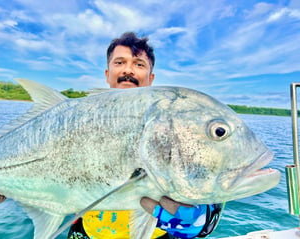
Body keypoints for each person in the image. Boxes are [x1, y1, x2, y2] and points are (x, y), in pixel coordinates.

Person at [67, 32, 223, 239]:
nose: (128, 70)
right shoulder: (78, 123)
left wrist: (203, 218)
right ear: (107, 73)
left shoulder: (173, 124)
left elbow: (209, 182)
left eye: (139, 64)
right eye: (120, 62)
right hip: (88, 234)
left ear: (151, 78)